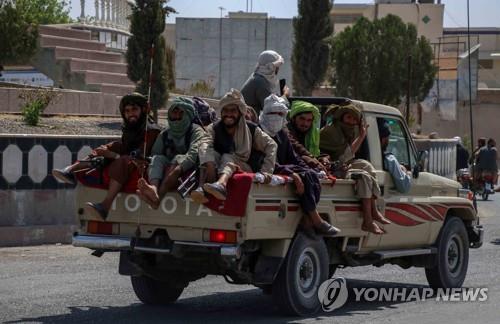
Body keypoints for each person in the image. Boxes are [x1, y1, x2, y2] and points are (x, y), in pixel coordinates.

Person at [53, 93, 161, 220]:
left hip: (144, 163)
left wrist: (113, 156)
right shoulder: (130, 128)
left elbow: (140, 155)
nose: (130, 114)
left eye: (134, 109)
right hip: (129, 156)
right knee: (112, 145)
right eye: (127, 111)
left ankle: (105, 206)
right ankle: (71, 169)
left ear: (143, 110)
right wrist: (108, 152)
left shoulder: (151, 130)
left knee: (122, 159)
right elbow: (125, 147)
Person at [260, 95, 340, 235]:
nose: (276, 117)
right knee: (303, 175)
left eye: (280, 114)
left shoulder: (281, 133)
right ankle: (316, 220)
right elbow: (263, 161)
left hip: (284, 167)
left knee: (310, 174)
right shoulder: (258, 132)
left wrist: (314, 167)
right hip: (269, 167)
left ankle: (307, 219)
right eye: (273, 113)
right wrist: (292, 173)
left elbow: (293, 157)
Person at [193, 89, 277, 203]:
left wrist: (266, 171)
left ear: (239, 113)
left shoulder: (252, 129)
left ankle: (221, 184)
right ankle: (203, 188)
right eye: (225, 110)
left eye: (233, 111)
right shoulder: (214, 128)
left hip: (245, 166)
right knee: (210, 154)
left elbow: (271, 145)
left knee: (227, 157)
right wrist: (210, 164)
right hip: (219, 165)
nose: (229, 114)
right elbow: (204, 144)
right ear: (221, 112)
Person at [320, 103, 390, 235]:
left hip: (343, 165)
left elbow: (347, 157)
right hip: (331, 168)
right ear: (342, 118)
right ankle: (368, 221)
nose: (351, 122)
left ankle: (374, 211)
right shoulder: (331, 132)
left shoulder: (349, 131)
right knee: (363, 176)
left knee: (366, 166)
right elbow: (343, 157)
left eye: (354, 119)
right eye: (348, 118)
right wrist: (361, 137)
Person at [137, 97, 208, 209]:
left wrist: (179, 169)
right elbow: (155, 153)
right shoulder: (165, 133)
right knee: (157, 159)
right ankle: (153, 189)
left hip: (185, 166)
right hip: (169, 163)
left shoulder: (196, 130)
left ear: (187, 115)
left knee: (178, 158)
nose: (176, 115)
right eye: (174, 112)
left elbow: (194, 154)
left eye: (180, 112)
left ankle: (157, 200)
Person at [287, 100, 330, 172]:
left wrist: (323, 158)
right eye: (302, 119)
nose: (305, 123)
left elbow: (315, 152)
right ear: (294, 118)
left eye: (309, 120)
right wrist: (311, 157)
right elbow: (296, 146)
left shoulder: (311, 134)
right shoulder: (286, 129)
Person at [241, 50, 287, 116]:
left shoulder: (258, 78)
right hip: (249, 122)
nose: (278, 69)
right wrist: (285, 95)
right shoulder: (260, 82)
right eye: (277, 67)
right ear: (272, 68)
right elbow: (273, 109)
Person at [379, 119, 411, 193]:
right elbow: (404, 187)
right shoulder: (389, 160)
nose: (388, 140)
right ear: (384, 139)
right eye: (388, 137)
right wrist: (405, 171)